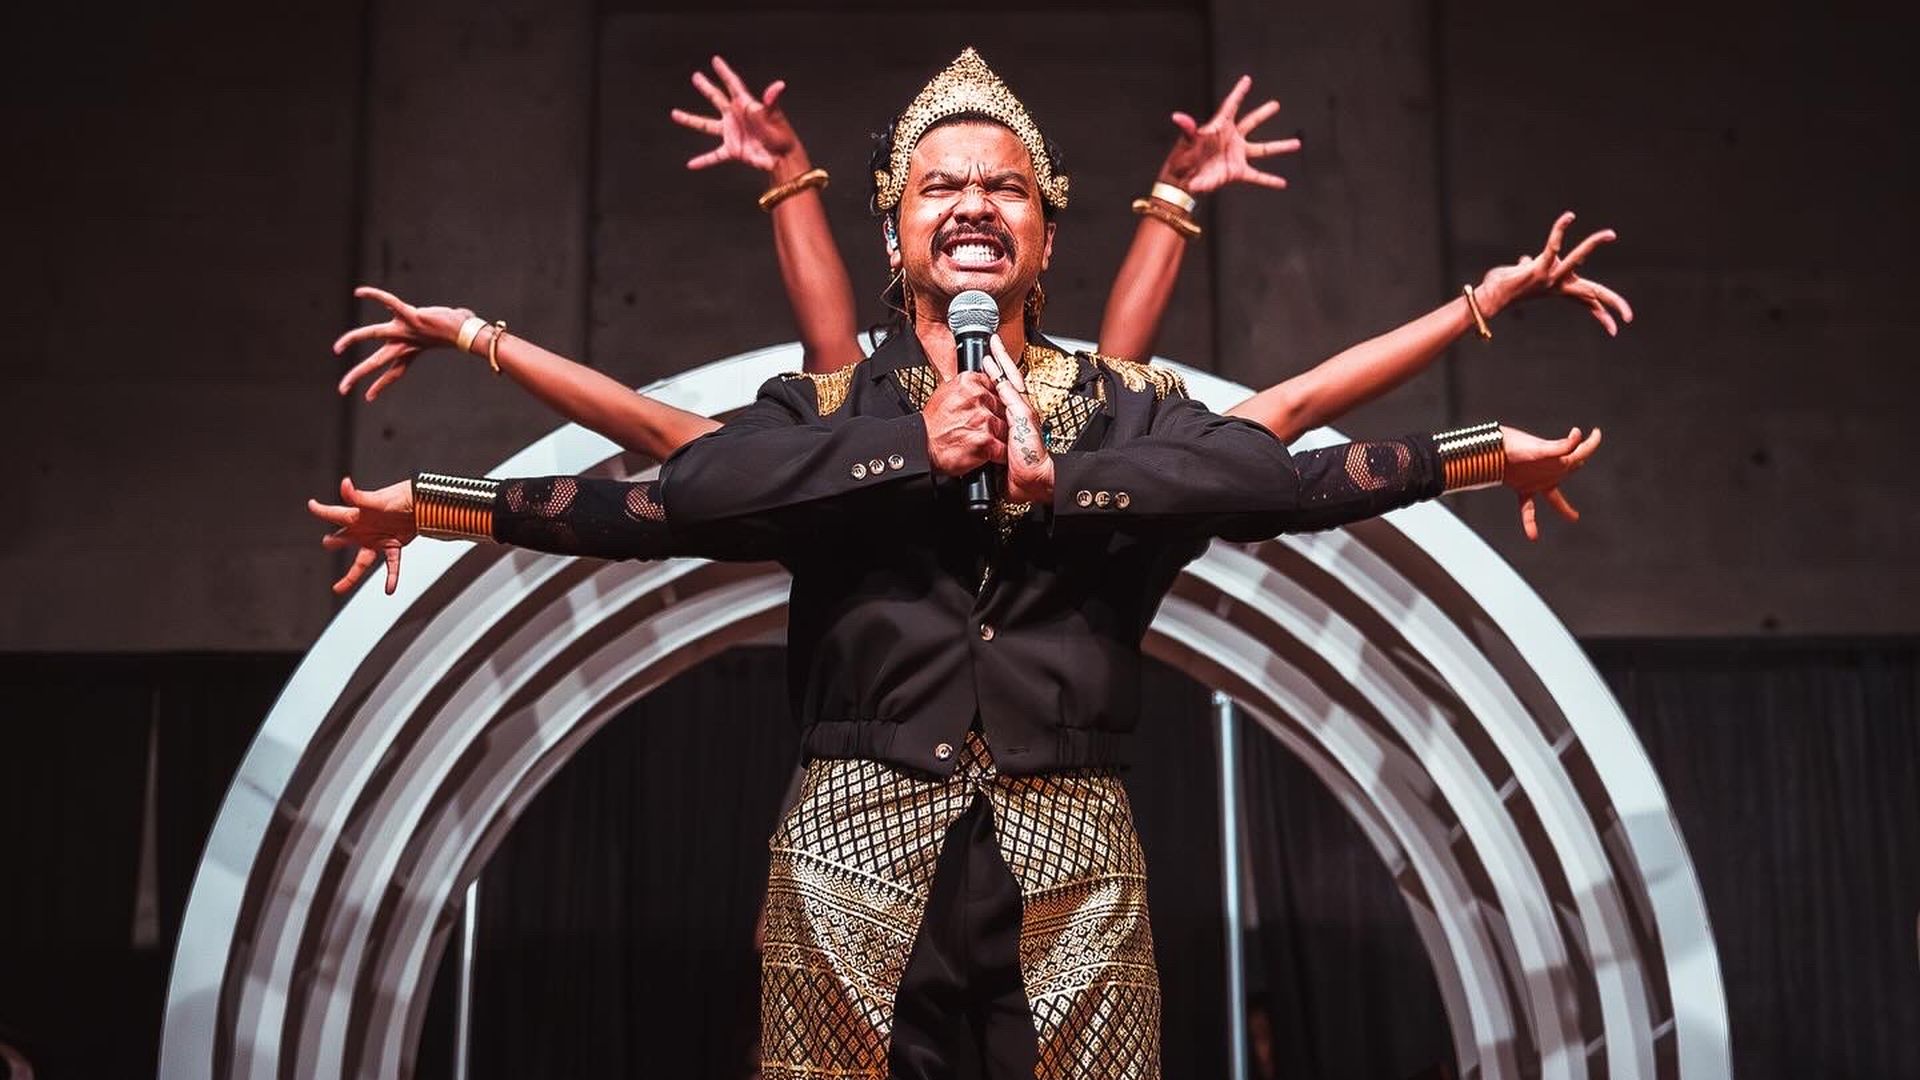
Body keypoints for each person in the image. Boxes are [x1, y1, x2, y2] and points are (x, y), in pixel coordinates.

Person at [312, 48, 1605, 1077]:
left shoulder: (1118, 408)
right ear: (895, 236)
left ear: (1044, 237)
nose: (974, 205)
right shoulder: (838, 412)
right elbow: (674, 492)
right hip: (848, 853)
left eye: (1004, 189)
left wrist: (1479, 445)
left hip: (1075, 858)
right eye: (941, 187)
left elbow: (1278, 471)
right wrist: (444, 501)